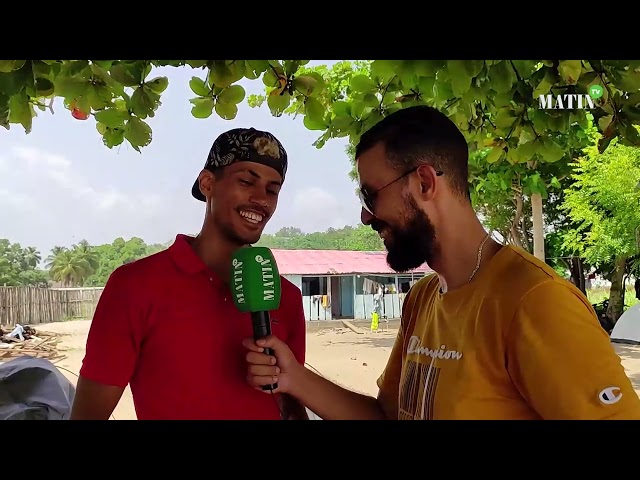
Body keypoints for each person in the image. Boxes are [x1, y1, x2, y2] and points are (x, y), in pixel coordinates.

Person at [242, 105, 640, 420]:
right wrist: (292, 376)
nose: (365, 216)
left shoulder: (536, 301)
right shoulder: (422, 299)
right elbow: (389, 415)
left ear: (425, 183)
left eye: (370, 196)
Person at [71, 127, 308, 420]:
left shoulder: (286, 297)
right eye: (247, 181)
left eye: (273, 190)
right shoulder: (134, 286)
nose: (262, 199)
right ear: (207, 183)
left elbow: (294, 405)